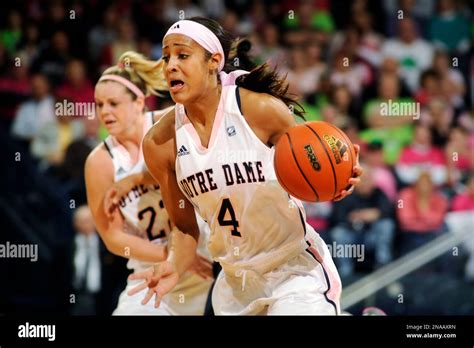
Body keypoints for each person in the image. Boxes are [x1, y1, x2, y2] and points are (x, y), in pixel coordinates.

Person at [130, 17, 362, 315]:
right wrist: (174, 265)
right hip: (234, 282)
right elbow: (185, 226)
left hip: (291, 269)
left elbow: (312, 159)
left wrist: (339, 175)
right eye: (166, 58)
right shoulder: (159, 143)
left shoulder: (258, 109)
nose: (171, 65)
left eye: (182, 56)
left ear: (214, 61)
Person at [85, 51, 213, 315]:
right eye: (99, 105)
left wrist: (135, 179)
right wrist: (175, 257)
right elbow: (113, 237)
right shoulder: (100, 161)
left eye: (113, 103)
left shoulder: (167, 124)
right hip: (154, 269)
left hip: (208, 256)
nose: (105, 112)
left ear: (138, 102)